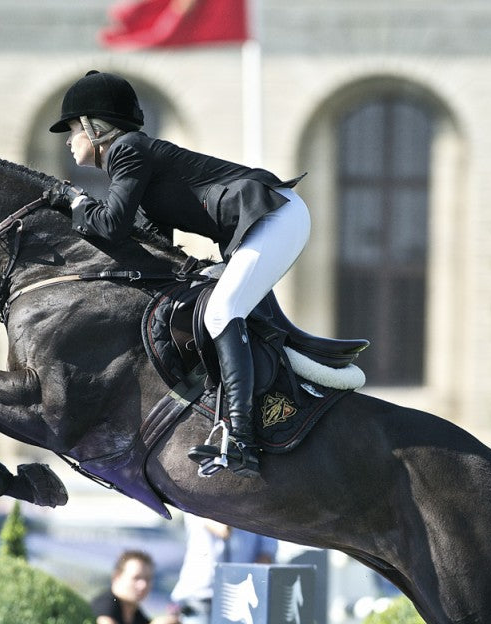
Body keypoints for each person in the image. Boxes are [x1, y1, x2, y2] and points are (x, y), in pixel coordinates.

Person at [46, 70, 312, 478]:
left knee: (222, 311)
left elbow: (112, 224)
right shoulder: (134, 164)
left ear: (94, 128)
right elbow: (148, 247)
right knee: (211, 304)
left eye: (71, 129)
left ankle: (240, 440)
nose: (67, 140)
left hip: (275, 216)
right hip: (268, 220)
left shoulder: (127, 149)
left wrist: (73, 202)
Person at [90, 549, 183, 624]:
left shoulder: (135, 613)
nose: (143, 585)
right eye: (136, 578)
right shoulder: (106, 603)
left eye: (148, 579)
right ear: (117, 577)